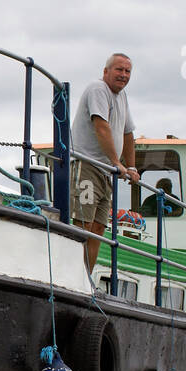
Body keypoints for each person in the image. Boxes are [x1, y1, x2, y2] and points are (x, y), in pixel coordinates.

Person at [70, 53, 139, 273]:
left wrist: (132, 167)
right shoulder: (98, 89)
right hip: (87, 166)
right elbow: (101, 126)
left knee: (98, 228)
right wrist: (116, 162)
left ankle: (86, 278)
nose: (123, 75)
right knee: (82, 224)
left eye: (127, 71)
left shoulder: (122, 96)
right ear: (106, 71)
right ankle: (73, 275)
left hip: (106, 172)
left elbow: (128, 133)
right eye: (119, 70)